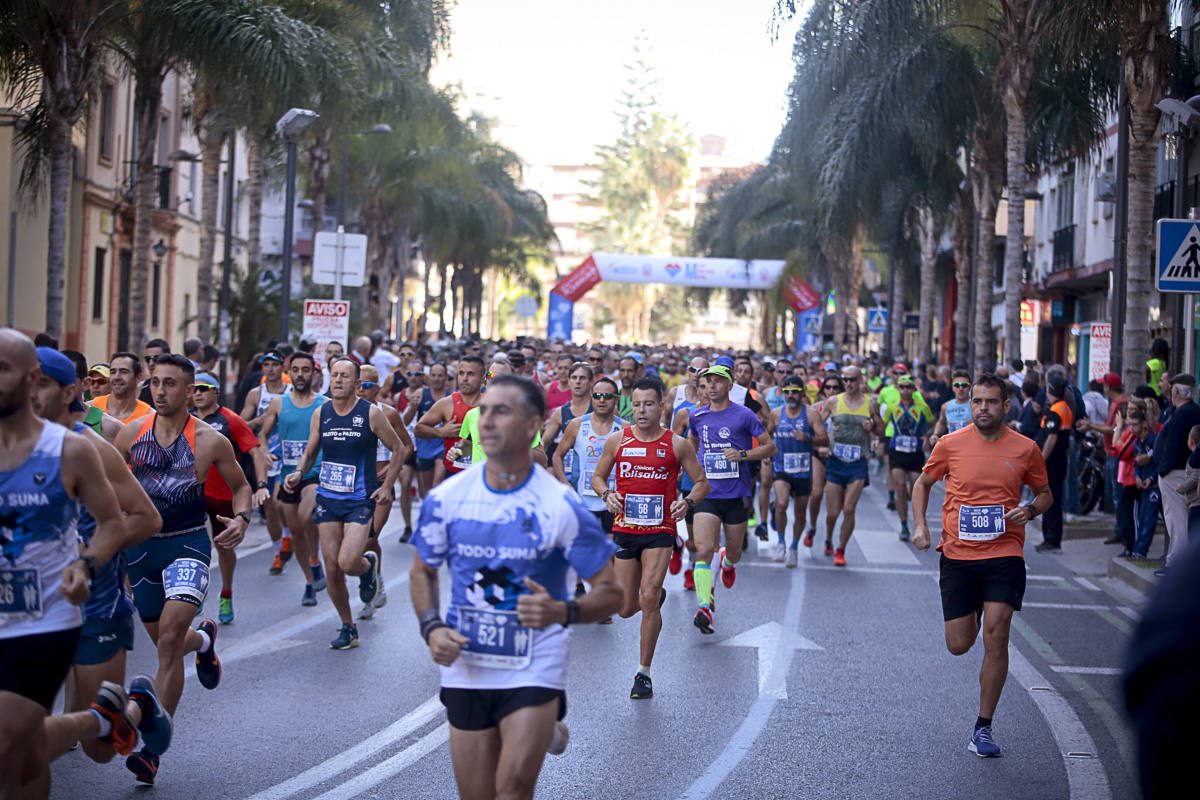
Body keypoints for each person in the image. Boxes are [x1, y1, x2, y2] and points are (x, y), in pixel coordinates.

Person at [409, 374, 622, 799]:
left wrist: (563, 612)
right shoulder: (447, 497)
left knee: (511, 789)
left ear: (533, 426)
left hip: (533, 663)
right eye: (483, 410)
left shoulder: (560, 505)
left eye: (500, 412)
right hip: (467, 664)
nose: (485, 421)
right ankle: (548, 731)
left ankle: (542, 723)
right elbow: (423, 570)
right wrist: (432, 627)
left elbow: (613, 593)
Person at [0, 330, 135, 797]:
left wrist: (87, 564)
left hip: (47, 616)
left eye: (4, 370)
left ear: (33, 379)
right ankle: (100, 717)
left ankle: (113, 715)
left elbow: (118, 523)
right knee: (22, 756)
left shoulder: (74, 449)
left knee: (11, 742)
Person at [113, 353, 252, 784]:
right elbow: (106, 486)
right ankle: (205, 639)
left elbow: (241, 487)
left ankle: (152, 750)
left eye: (170, 383)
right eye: (155, 382)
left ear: (190, 391)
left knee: (170, 641)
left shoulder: (209, 440)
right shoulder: (131, 435)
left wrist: (242, 519)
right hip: (141, 552)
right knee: (166, 643)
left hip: (188, 546)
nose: (160, 390)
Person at [30, 345, 172, 768]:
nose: (28, 393)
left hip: (95, 602)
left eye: (40, 384)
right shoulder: (13, 446)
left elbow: (148, 519)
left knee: (100, 748)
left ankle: (138, 706)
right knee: (19, 731)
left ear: (69, 390)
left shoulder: (91, 449)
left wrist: (86, 557)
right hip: (29, 605)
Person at [911, 373, 1052, 758]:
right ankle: (974, 607)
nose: (983, 408)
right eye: (977, 402)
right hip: (958, 555)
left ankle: (983, 727)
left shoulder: (1025, 449)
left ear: (1007, 405)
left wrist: (1030, 510)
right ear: (969, 404)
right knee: (959, 645)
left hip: (1004, 553)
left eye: (991, 401)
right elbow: (922, 484)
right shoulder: (950, 444)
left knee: (997, 632)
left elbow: (1045, 495)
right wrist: (921, 525)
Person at [592, 377, 708, 698]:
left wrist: (687, 502)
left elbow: (701, 482)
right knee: (627, 608)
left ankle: (643, 674)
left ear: (661, 406)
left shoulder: (676, 444)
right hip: (625, 529)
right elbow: (598, 477)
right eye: (638, 404)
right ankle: (650, 601)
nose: (642, 411)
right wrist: (607, 495)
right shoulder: (618, 441)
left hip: (660, 530)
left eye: (649, 404)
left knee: (650, 593)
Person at [286, 357, 406, 649]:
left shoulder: (371, 414)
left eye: (344, 376)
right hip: (329, 497)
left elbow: (400, 448)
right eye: (334, 375)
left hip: (359, 499)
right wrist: (300, 472)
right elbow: (311, 451)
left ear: (356, 384)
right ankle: (347, 626)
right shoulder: (321, 413)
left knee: (348, 561)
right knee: (332, 567)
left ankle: (367, 567)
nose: (338, 380)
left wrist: (387, 486)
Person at [687, 363, 776, 634]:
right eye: (707, 382)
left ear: (729, 386)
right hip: (708, 493)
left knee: (735, 552)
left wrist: (743, 455)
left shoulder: (744, 415)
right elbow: (692, 444)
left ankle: (727, 562)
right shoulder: (697, 416)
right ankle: (704, 606)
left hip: (736, 494)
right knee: (702, 549)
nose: (711, 386)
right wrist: (692, 471)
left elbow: (770, 446)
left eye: (717, 381)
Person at [192, 373, 270, 624]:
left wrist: (261, 484)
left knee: (224, 547)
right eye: (195, 389)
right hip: (193, 493)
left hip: (224, 494)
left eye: (204, 388)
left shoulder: (231, 419)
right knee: (194, 545)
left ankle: (226, 593)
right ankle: (195, 591)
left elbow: (255, 451)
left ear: (216, 392)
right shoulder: (186, 418)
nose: (198, 393)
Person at [257, 352, 324, 604]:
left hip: (313, 472)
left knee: (307, 515)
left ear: (314, 373)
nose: (300, 375)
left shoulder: (324, 404)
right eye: (295, 370)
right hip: (287, 475)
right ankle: (309, 580)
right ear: (290, 372)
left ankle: (316, 561)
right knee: (296, 532)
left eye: (305, 370)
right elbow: (262, 435)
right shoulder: (279, 403)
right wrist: (265, 454)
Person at [355, 365, 414, 619]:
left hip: (381, 485)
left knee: (369, 539)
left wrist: (390, 469)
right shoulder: (341, 413)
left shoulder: (388, 413)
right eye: (357, 384)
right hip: (353, 486)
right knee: (357, 545)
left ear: (377, 388)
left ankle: (372, 584)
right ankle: (371, 575)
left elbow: (407, 445)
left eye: (366, 385)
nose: (360, 389)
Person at [819, 365, 883, 567]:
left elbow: (881, 429)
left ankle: (841, 549)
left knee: (848, 509)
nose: (848, 384)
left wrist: (873, 425)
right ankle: (829, 537)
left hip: (858, 462)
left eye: (852, 380)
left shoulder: (870, 404)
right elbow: (818, 426)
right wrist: (822, 444)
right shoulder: (833, 402)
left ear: (860, 380)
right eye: (845, 380)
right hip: (836, 461)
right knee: (832, 512)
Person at [240, 350, 291, 574]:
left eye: (274, 365)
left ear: (282, 368)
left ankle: (288, 537)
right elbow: (240, 425)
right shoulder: (255, 394)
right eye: (266, 365)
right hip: (263, 456)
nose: (270, 369)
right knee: (270, 509)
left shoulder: (290, 393)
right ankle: (278, 552)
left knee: (281, 503)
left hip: (287, 455)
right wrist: (257, 421)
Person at [769, 376, 828, 566]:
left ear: (802, 392)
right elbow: (766, 435)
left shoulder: (811, 414)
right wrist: (765, 453)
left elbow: (825, 440)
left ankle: (793, 547)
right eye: (787, 392)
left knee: (800, 513)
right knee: (781, 503)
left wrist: (807, 438)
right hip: (781, 466)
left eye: (794, 392)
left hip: (803, 469)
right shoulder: (776, 414)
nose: (791, 395)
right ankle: (780, 542)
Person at [1152, 374, 1200, 575]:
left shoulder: (1183, 414)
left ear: (1177, 391)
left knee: (1177, 519)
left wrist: (1164, 469)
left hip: (1176, 473)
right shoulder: (1189, 412)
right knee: (1177, 519)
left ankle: (1177, 565)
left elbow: (1174, 447)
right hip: (1177, 471)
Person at [402, 360, 451, 540]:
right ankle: (430, 519)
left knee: (438, 483)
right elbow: (405, 421)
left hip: (443, 446)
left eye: (440, 376)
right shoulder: (421, 394)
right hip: (423, 447)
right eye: (434, 375)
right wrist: (413, 406)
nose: (437, 379)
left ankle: (438, 525)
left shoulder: (451, 396)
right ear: (429, 377)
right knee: (427, 491)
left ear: (446, 378)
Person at [415, 355, 485, 479]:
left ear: (482, 378)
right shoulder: (446, 403)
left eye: (471, 374)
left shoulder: (491, 404)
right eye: (461, 373)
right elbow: (419, 429)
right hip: (453, 474)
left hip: (482, 475)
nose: (465, 378)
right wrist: (441, 431)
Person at [886, 374, 935, 542]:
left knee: (915, 487)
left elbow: (933, 424)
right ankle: (904, 525)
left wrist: (927, 437)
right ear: (898, 389)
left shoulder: (922, 407)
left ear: (913, 389)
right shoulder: (892, 407)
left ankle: (918, 522)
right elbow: (883, 425)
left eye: (909, 387)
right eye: (902, 387)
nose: (906, 390)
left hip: (915, 452)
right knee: (900, 486)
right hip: (897, 451)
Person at [1077, 372, 1128, 519]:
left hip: (1116, 451)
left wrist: (1092, 426)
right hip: (1109, 450)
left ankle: (1122, 528)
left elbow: (1115, 429)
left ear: (1108, 387)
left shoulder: (1121, 404)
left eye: (1105, 385)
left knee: (1117, 493)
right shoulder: (1113, 403)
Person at [1034, 376, 1074, 554]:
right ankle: (1052, 537)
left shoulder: (1055, 411)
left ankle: (1050, 538)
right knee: (1054, 499)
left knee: (1049, 499)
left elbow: (1051, 438)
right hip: (1059, 461)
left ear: (1050, 391)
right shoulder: (1065, 408)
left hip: (1052, 463)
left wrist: (1041, 460)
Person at [804, 374, 844, 549]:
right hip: (817, 455)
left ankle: (829, 537)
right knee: (817, 492)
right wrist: (818, 446)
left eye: (836, 388)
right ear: (822, 390)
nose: (832, 391)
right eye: (828, 387)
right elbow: (807, 433)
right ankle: (812, 526)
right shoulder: (814, 409)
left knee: (834, 508)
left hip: (839, 457)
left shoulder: (847, 408)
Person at [93, 352, 153, 424]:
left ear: (138, 377)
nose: (116, 377)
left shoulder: (149, 416)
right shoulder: (92, 407)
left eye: (124, 372)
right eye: (113, 372)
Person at [932, 368, 973, 442]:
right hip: (951, 448)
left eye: (964, 385)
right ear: (953, 387)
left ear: (970, 388)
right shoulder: (946, 406)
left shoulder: (975, 406)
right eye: (957, 385)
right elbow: (941, 423)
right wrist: (935, 434)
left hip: (969, 448)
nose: (961, 388)